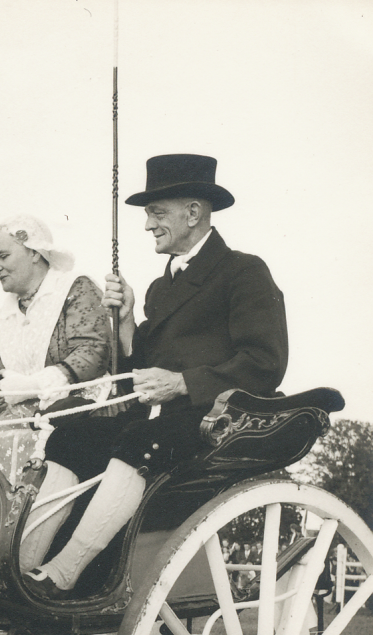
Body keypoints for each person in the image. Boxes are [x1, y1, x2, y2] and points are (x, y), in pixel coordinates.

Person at [23, 154, 289, 599]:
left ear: (194, 213)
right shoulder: (160, 287)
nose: (148, 225)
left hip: (219, 424)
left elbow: (265, 363)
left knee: (137, 442)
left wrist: (183, 383)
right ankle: (23, 567)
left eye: (156, 212)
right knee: (69, 438)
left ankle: (62, 574)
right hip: (167, 423)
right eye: (148, 214)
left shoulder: (244, 272)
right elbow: (141, 369)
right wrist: (126, 320)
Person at [0, 214, 112, 488]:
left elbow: (92, 353)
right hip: (18, 422)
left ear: (35, 253)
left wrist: (28, 386)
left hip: (82, 414)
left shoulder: (74, 289)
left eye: (3, 256)